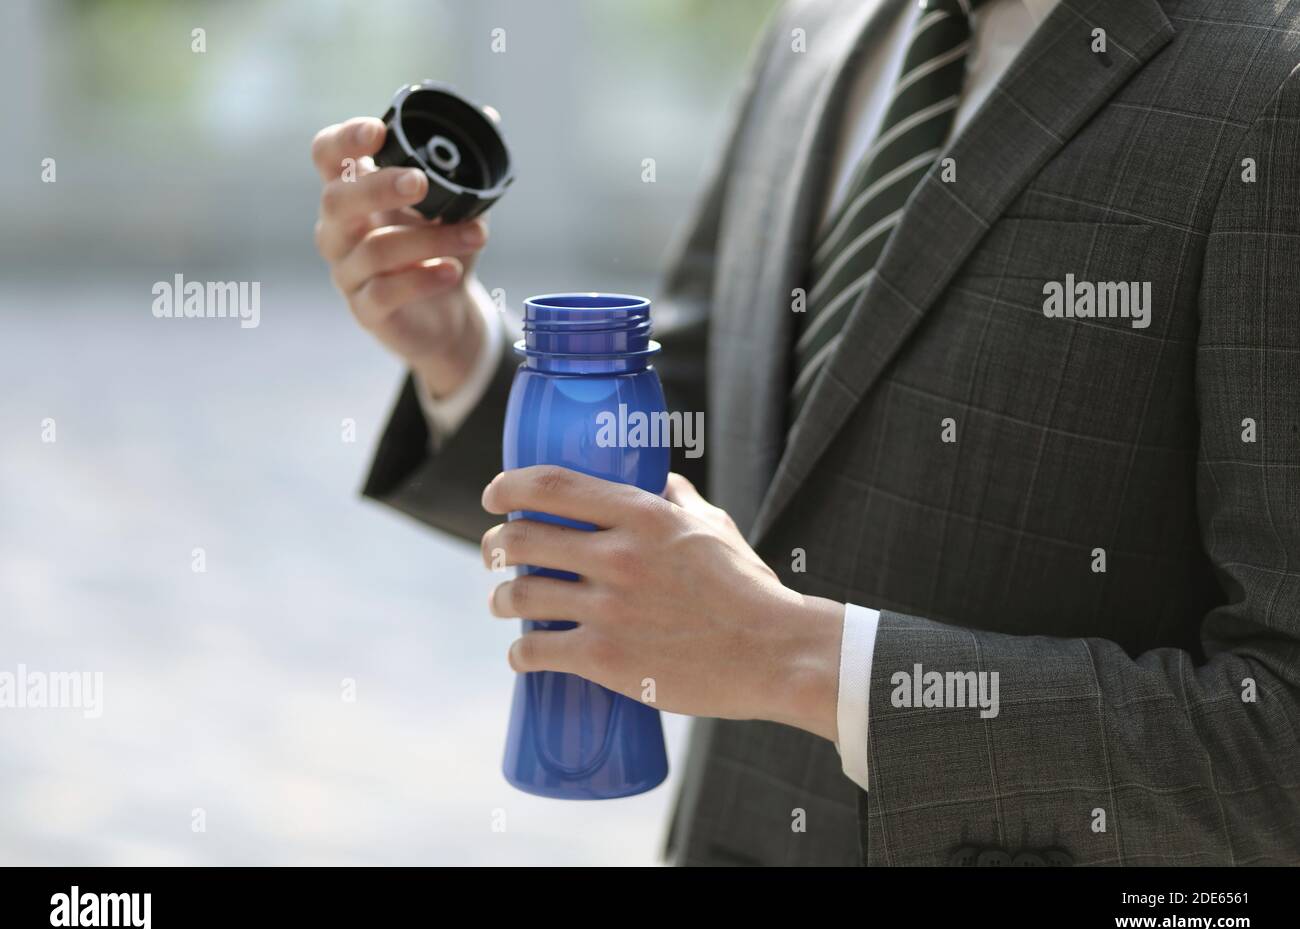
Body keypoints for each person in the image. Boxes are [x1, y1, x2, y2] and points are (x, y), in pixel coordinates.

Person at [311, 0, 1300, 865]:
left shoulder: (1271, 82)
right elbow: (725, 438)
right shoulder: (814, 31)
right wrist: (459, 350)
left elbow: (1279, 743)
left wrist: (798, 658)